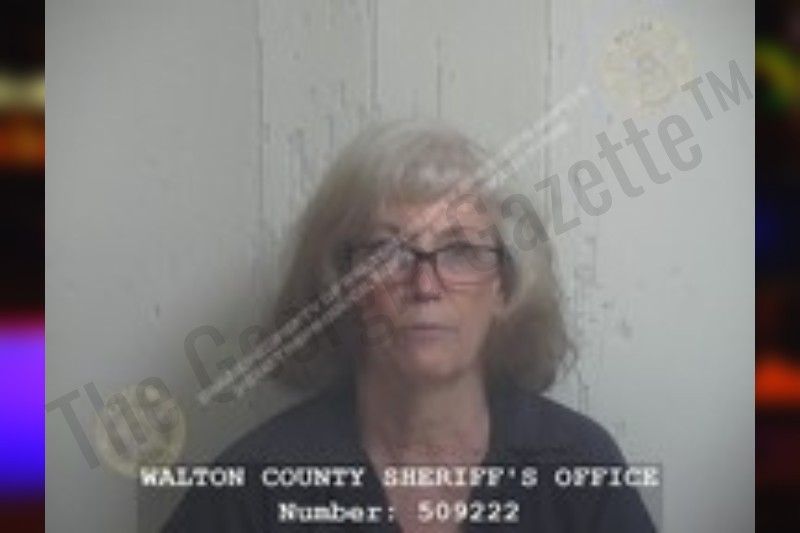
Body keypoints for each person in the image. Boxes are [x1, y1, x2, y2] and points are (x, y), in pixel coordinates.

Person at [162, 119, 657, 532]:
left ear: (505, 288)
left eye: (460, 251)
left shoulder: (577, 467)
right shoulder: (256, 484)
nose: (424, 285)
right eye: (387, 253)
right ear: (343, 285)